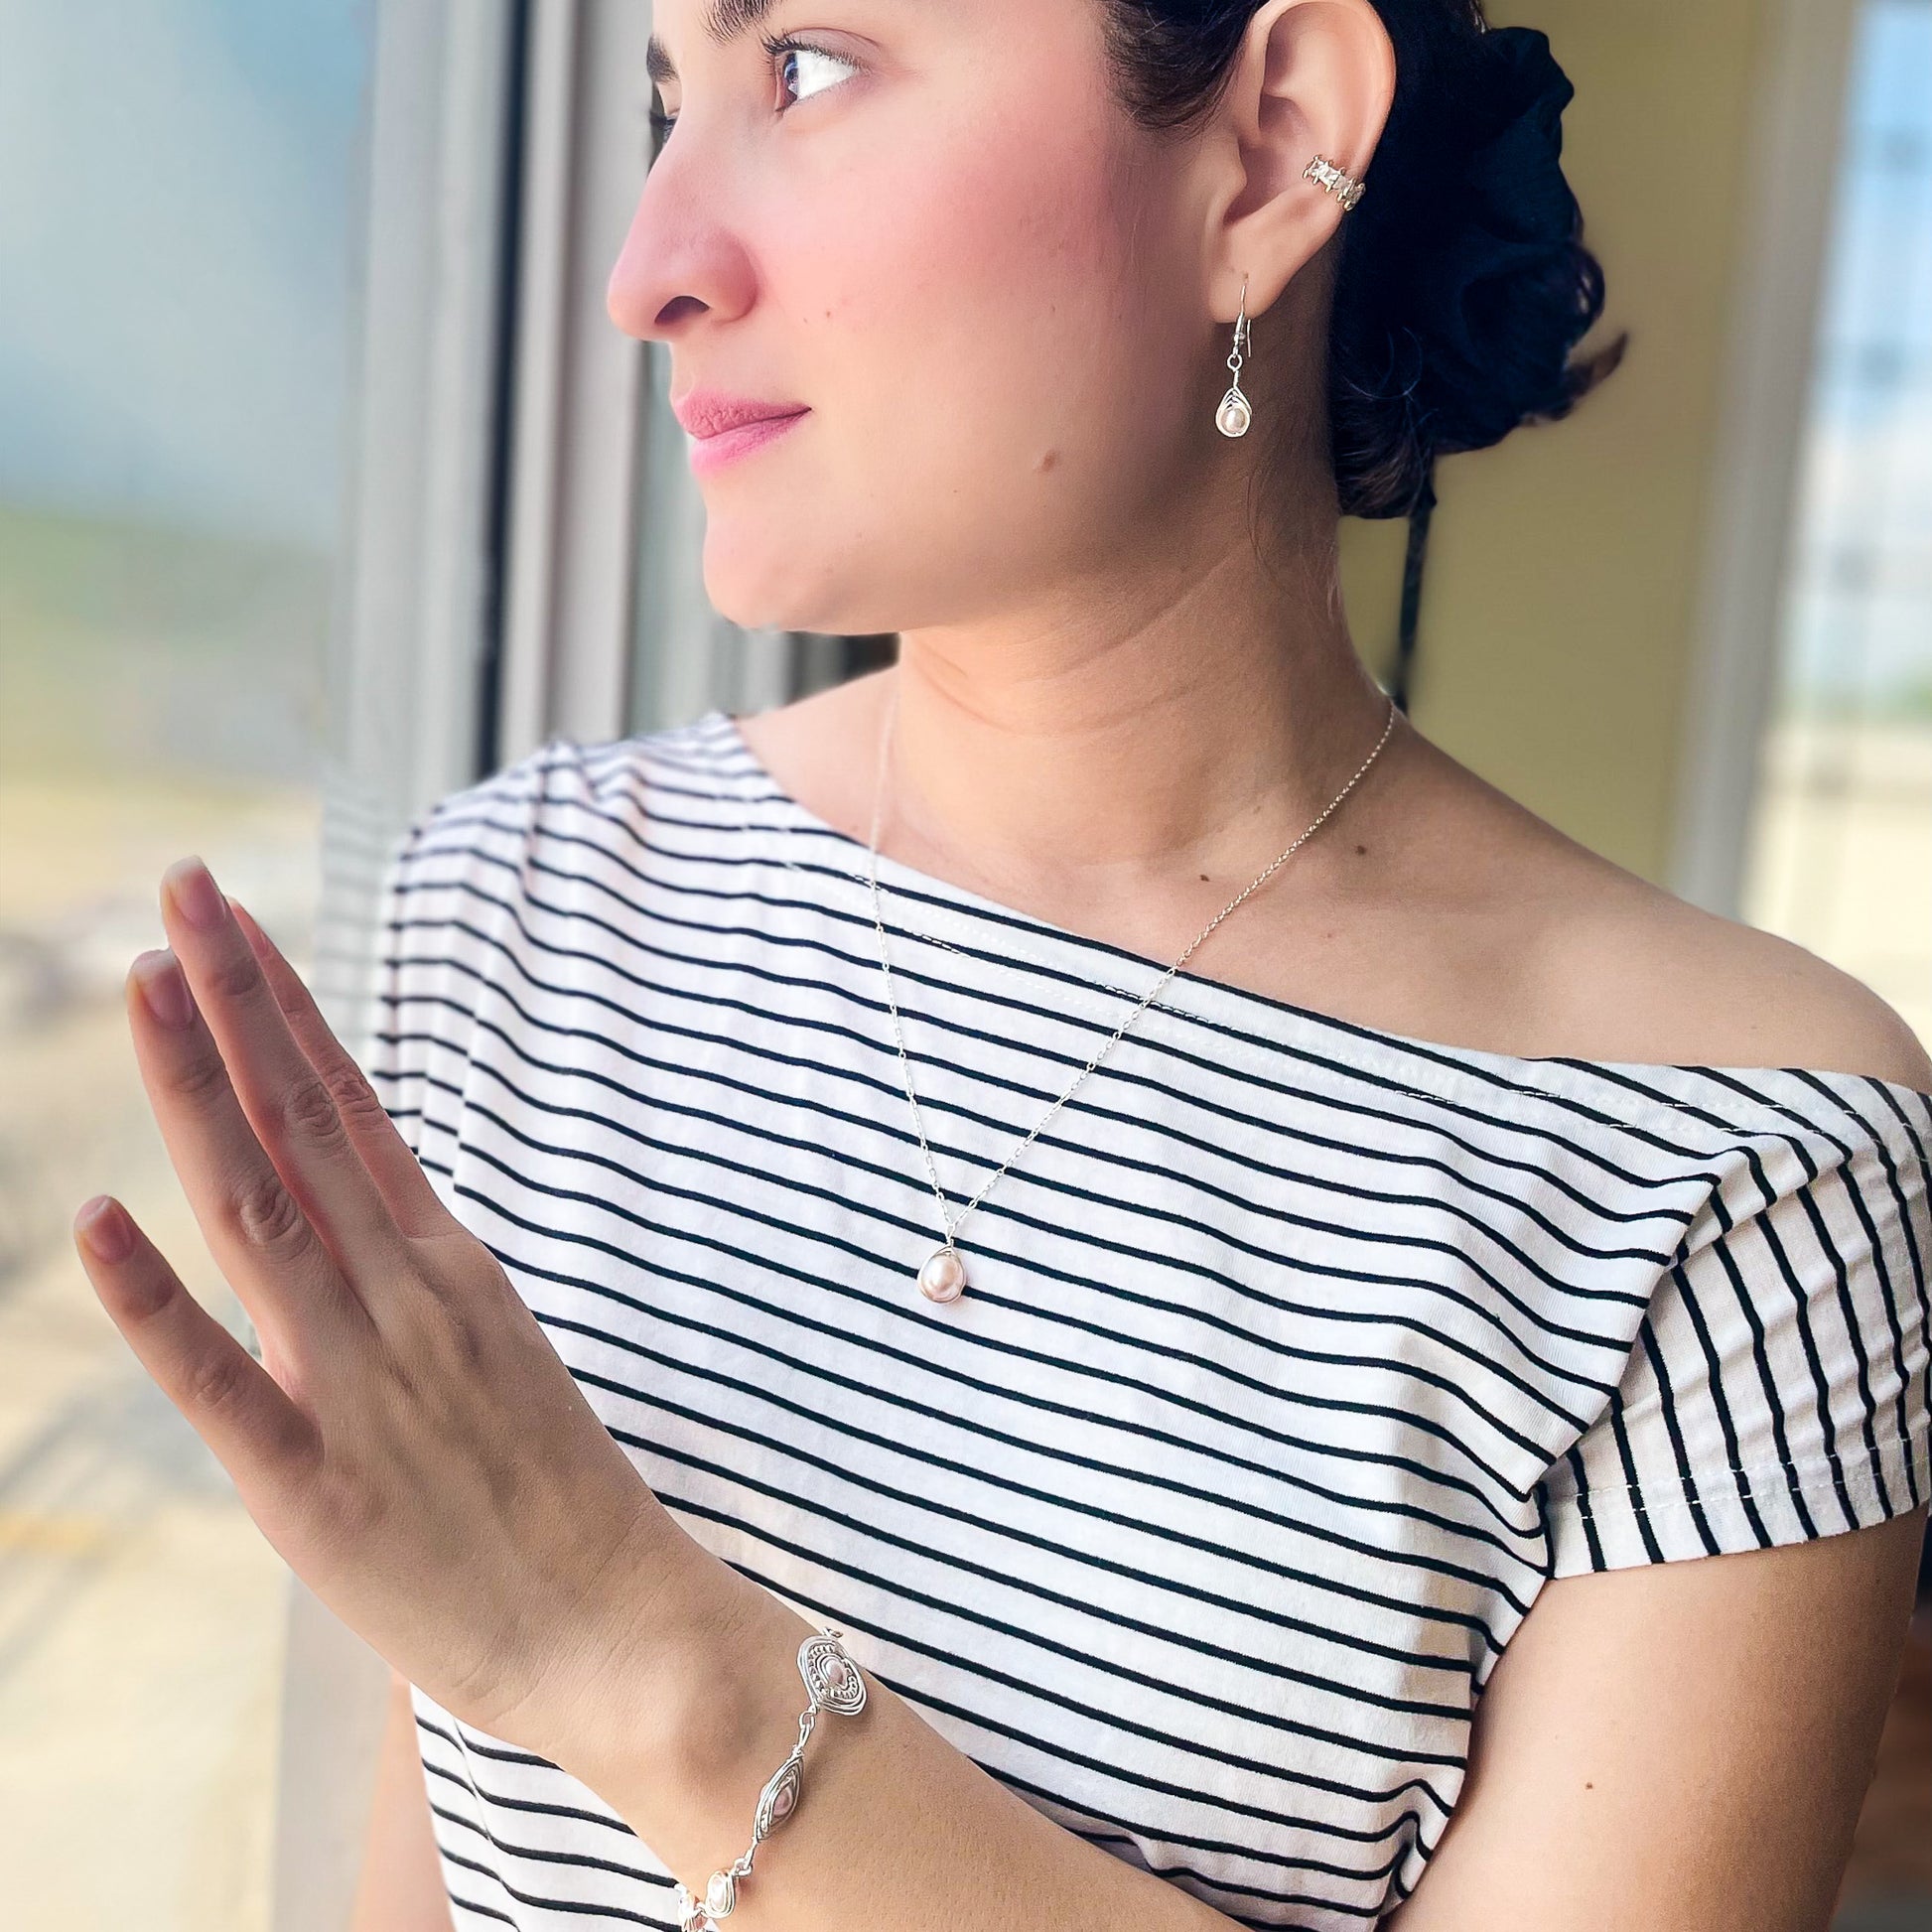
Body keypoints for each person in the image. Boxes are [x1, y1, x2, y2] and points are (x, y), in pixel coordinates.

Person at [334, 0, 1922, 1924]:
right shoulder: (514, 912)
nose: (649, 269)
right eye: (669, 97)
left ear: (1266, 145)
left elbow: (571, 1669)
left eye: (804, 70)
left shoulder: (1735, 1165)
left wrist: (643, 1663)